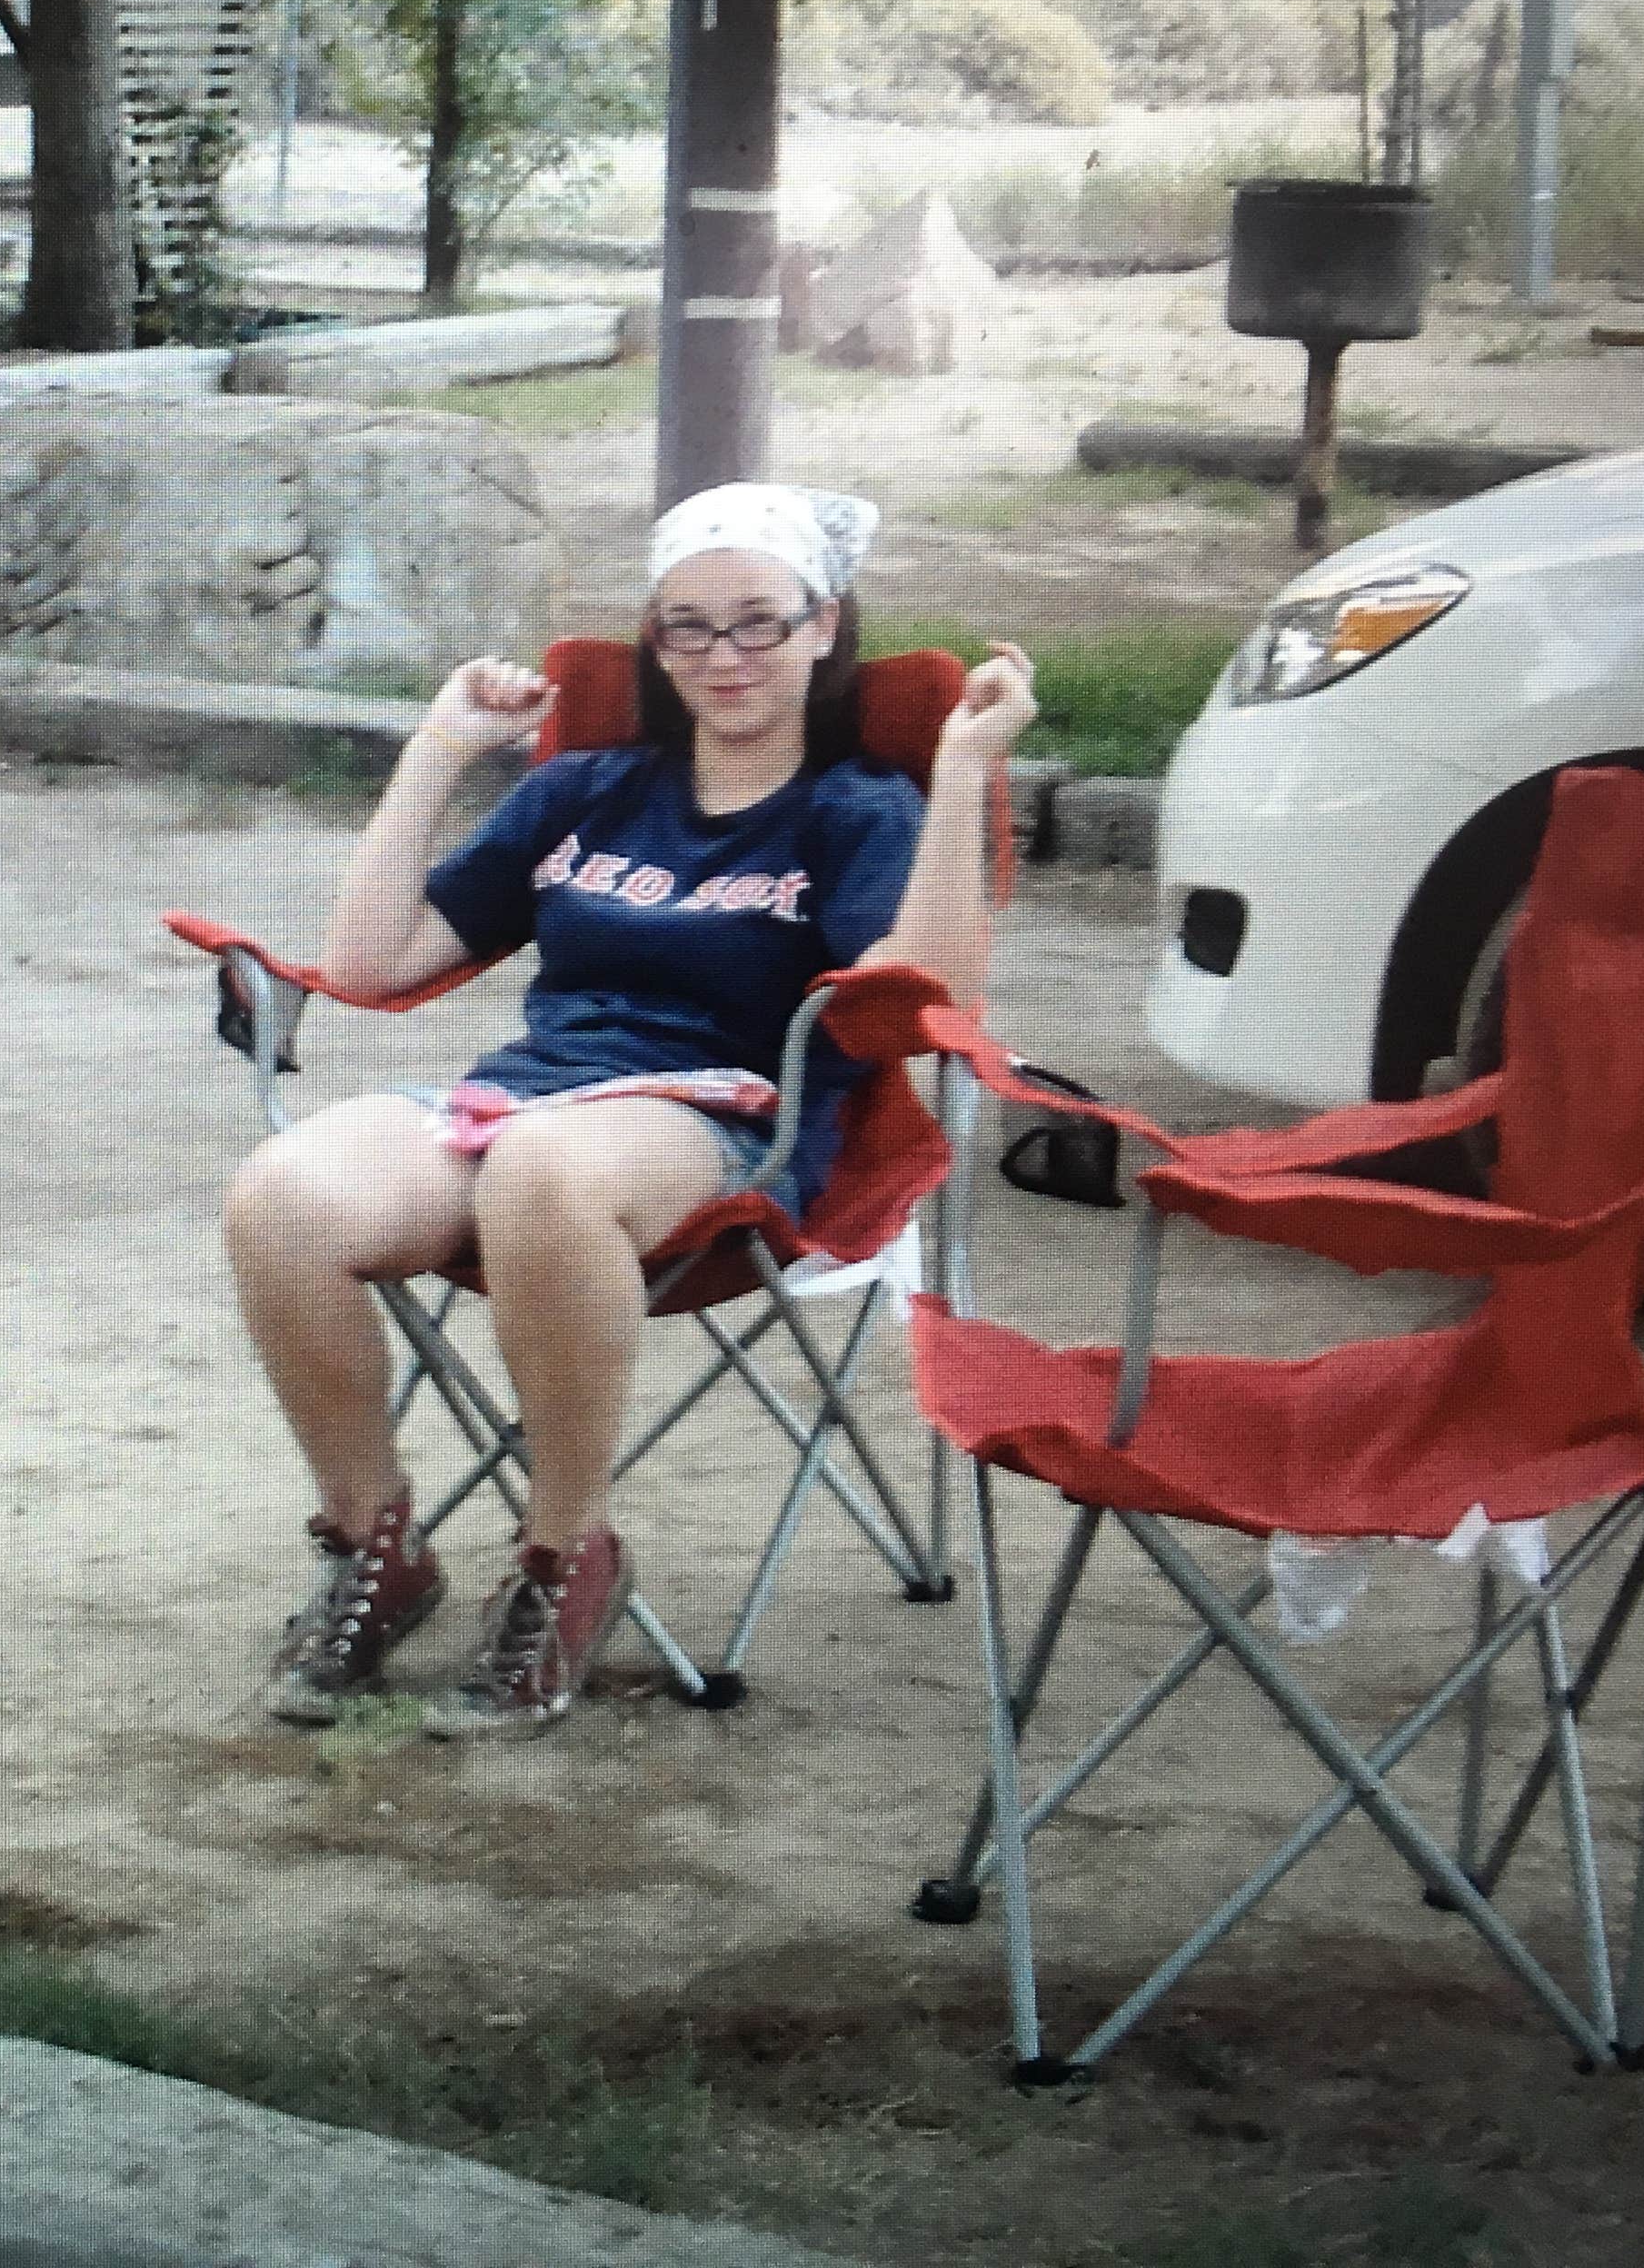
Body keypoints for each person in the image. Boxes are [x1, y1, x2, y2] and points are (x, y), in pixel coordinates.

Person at [221, 482, 1036, 1738]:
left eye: (760, 622)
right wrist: (438, 753)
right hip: (538, 1096)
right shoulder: (588, 791)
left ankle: (563, 1560)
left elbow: (931, 1003)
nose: (725, 657)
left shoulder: (859, 807)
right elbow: (376, 962)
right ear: (655, 642)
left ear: (826, 627)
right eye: (690, 627)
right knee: (282, 1197)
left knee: (541, 1172)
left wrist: (963, 771)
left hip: (737, 1121)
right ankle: (377, 1546)